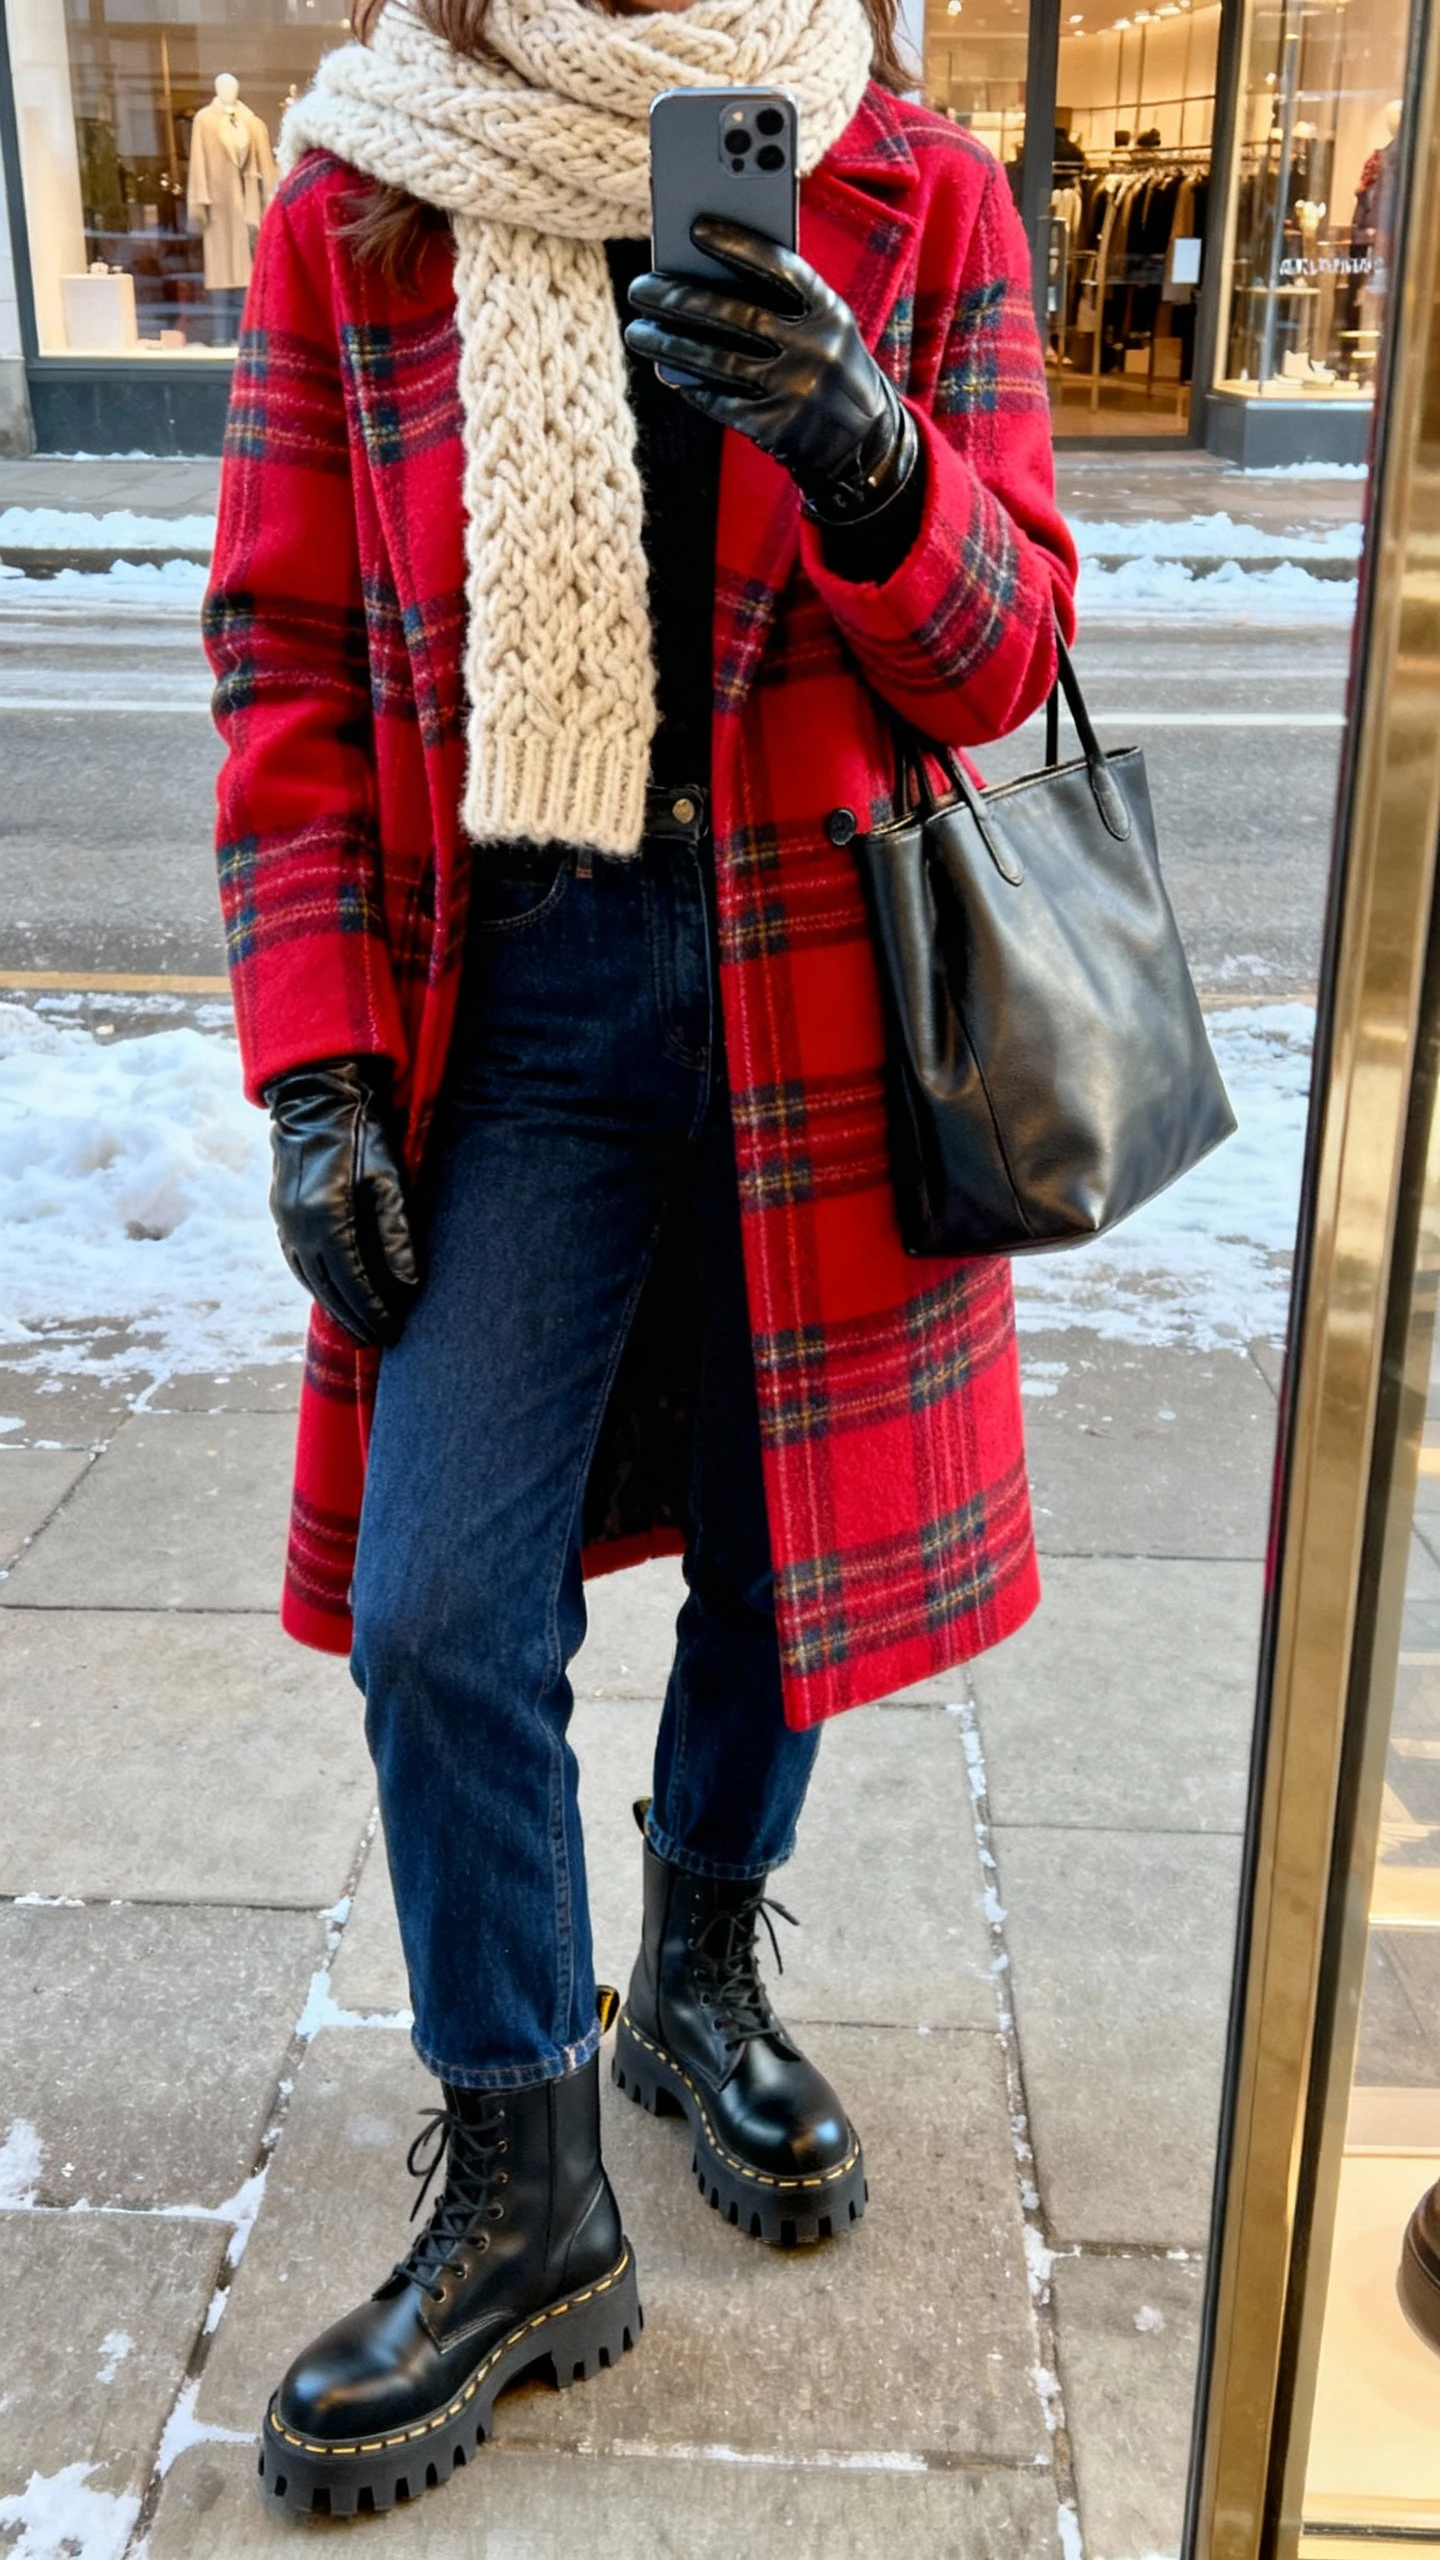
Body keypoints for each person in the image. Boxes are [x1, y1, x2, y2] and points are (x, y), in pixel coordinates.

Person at [204, 0, 1077, 2516]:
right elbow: (275, 651)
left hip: (832, 985)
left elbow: (1005, 649)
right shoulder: (364, 191)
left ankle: (694, 1972)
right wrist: (317, 1065)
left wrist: (859, 442)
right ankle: (525, 2178)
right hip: (520, 1007)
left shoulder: (915, 184)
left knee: (785, 1566)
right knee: (440, 1606)